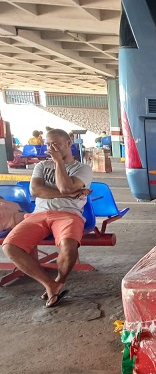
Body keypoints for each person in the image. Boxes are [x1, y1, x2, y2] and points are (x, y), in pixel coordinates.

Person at [2, 129, 93, 308]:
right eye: (48, 144)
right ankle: (50, 284)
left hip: (68, 215)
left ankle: (60, 279)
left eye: (56, 144)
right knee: (10, 247)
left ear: (68, 144)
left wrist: (59, 163)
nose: (52, 148)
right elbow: (36, 191)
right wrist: (71, 192)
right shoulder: (41, 166)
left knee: (68, 249)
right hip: (39, 215)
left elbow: (66, 187)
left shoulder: (82, 168)